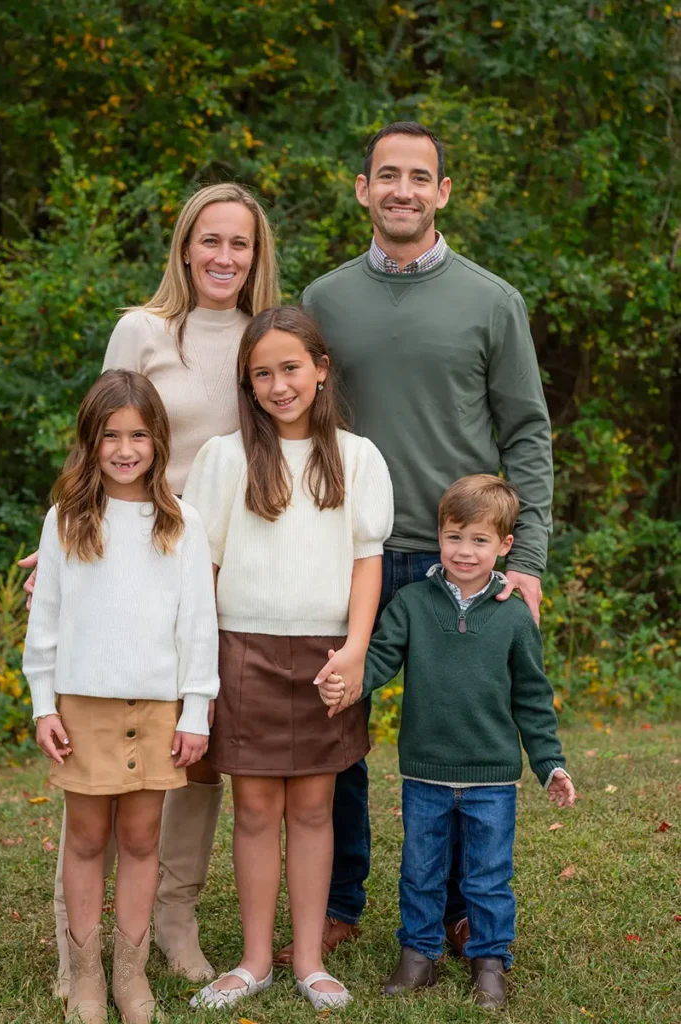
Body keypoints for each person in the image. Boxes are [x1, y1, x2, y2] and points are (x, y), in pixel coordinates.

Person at [286, 120, 555, 965]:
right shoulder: (324, 302)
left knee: (461, 740)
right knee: (340, 736)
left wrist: (530, 560)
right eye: (386, 175)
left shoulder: (490, 300)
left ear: (442, 192)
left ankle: (456, 911)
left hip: (459, 562)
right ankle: (341, 897)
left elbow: (526, 435)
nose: (402, 189)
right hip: (352, 552)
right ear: (362, 189)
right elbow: (287, 416)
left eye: (420, 177)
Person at [19, 182, 280, 993]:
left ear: (256, 254)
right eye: (210, 240)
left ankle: (172, 918)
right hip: (130, 556)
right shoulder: (143, 329)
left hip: (224, 565)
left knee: (193, 751)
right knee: (100, 758)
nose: (224, 258)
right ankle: (78, 952)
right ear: (184, 245)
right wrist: (58, 546)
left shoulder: (261, 340)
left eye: (239, 243)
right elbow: (100, 432)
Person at [182, 306, 393, 1010]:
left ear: (321, 369)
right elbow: (202, 571)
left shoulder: (358, 456)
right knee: (253, 809)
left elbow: (368, 563)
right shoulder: (223, 458)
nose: (278, 385)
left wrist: (356, 652)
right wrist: (200, 671)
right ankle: (252, 960)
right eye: (262, 373)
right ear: (247, 383)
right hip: (241, 648)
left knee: (313, 807)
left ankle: (306, 960)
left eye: (291, 368)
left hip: (327, 653)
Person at [319, 474, 575, 1010]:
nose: (464, 550)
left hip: (492, 779)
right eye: (454, 536)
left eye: (480, 540)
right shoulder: (412, 602)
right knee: (420, 871)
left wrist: (550, 764)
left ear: (505, 545)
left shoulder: (511, 615)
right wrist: (350, 683)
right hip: (426, 773)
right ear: (438, 535)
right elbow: (381, 658)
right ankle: (419, 956)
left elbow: (533, 696)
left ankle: (488, 961)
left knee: (487, 876)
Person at [23, 369, 220, 1024]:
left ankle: (130, 978)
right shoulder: (67, 520)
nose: (126, 449)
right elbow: (44, 620)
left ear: (158, 441)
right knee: (84, 839)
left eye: (139, 435)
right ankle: (83, 976)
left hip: (157, 708)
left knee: (141, 842)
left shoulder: (180, 522)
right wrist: (43, 703)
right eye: (112, 436)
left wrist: (196, 710)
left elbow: (198, 626)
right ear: (91, 441)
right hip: (84, 706)